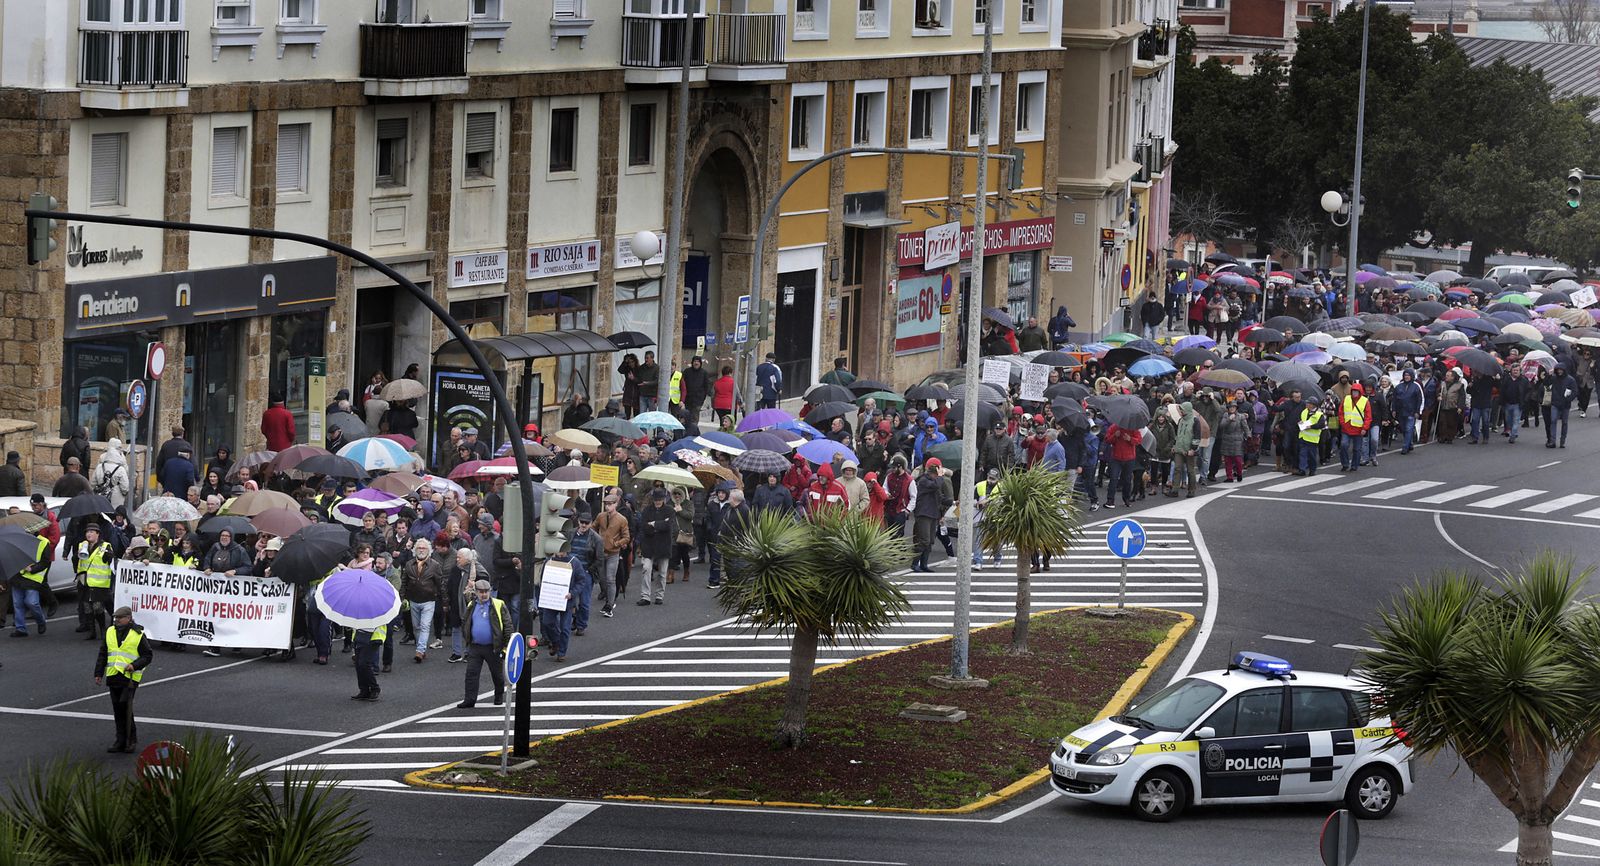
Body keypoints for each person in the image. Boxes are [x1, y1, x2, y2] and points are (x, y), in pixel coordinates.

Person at [95, 606, 151, 753]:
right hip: (114, 675)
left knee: (125, 707)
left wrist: (134, 665)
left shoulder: (138, 634)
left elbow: (147, 655)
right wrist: (99, 673)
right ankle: (120, 740)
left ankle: (131, 740)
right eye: (115, 618)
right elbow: (103, 653)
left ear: (128, 618)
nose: (116, 620)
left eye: (119, 618)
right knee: (117, 709)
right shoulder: (110, 632)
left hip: (130, 678)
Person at [456, 579, 511, 707]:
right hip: (475, 646)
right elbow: (465, 622)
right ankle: (469, 700)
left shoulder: (499, 604)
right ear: (476, 592)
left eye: (486, 591)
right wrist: (468, 639)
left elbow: (508, 626)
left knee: (497, 674)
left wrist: (505, 646)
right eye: (481, 592)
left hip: (493, 647)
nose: (484, 594)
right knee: (471, 674)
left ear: (490, 591)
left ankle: (498, 696)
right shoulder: (471, 605)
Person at [911, 459, 952, 573]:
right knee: (924, 540)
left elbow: (940, 497)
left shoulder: (934, 481)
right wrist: (940, 476)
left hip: (933, 514)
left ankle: (924, 564)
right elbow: (935, 486)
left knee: (930, 542)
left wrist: (953, 502)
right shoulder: (924, 480)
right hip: (924, 513)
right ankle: (915, 563)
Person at [592, 495, 630, 617]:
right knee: (602, 579)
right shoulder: (600, 516)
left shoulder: (622, 519)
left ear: (615, 504)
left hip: (613, 553)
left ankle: (609, 605)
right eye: (606, 504)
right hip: (601, 553)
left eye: (610, 504)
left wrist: (617, 543)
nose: (607, 506)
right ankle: (608, 600)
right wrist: (595, 541)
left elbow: (626, 537)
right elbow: (593, 528)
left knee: (610, 579)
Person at [636, 488, 673, 605]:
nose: (658, 502)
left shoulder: (669, 510)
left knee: (662, 572)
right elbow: (644, 527)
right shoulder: (647, 510)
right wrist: (660, 525)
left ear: (664, 499)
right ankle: (645, 596)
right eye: (656, 500)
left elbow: (669, 526)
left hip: (663, 545)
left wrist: (654, 524)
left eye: (660, 499)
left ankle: (659, 595)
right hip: (649, 544)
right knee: (646, 569)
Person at [10, 531, 50, 637]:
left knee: (32, 602)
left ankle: (41, 621)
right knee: (17, 604)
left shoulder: (44, 542)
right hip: (17, 577)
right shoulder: (17, 540)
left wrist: (31, 569)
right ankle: (20, 628)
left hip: (32, 578)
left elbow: (45, 562)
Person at [350, 616, 385, 702]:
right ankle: (364, 690)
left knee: (364, 663)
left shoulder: (377, 606)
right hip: (359, 636)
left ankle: (375, 688)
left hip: (373, 637)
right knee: (358, 664)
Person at [1338, 382, 1372, 472]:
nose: (1354, 393)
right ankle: (1345, 464)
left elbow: (1368, 417)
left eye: (1356, 391)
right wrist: (1342, 423)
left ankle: (1354, 465)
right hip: (1346, 428)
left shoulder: (1365, 401)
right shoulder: (1346, 399)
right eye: (1353, 391)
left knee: (1357, 449)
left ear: (1360, 392)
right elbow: (1341, 412)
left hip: (1358, 429)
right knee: (1343, 446)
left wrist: (1365, 428)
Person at [1392, 370, 1423, 454]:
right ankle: (1410, 443)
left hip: (1411, 412)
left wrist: (1418, 411)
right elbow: (1394, 399)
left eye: (1408, 375)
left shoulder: (1416, 386)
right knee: (1404, 429)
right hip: (1401, 412)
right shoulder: (1399, 386)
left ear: (1412, 376)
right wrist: (1394, 409)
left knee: (1409, 429)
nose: (1406, 377)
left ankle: (1405, 447)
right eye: (1405, 375)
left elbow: (1419, 399)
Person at [1547, 363, 1578, 449]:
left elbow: (1575, 391)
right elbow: (1546, 384)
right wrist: (1548, 376)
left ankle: (1562, 441)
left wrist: (1568, 399)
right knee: (1553, 421)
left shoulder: (1570, 380)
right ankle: (1552, 441)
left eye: (1561, 370)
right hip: (1555, 403)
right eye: (1558, 370)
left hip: (1565, 404)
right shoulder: (1553, 378)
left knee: (1564, 422)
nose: (1559, 371)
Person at [682, 356, 712, 420]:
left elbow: (707, 385)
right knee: (686, 416)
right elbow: (682, 384)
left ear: (700, 363)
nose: (696, 363)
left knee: (695, 417)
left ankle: (693, 429)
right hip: (687, 399)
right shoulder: (687, 372)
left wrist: (707, 395)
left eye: (698, 361)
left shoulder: (704, 373)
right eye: (695, 361)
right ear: (692, 362)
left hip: (698, 400)